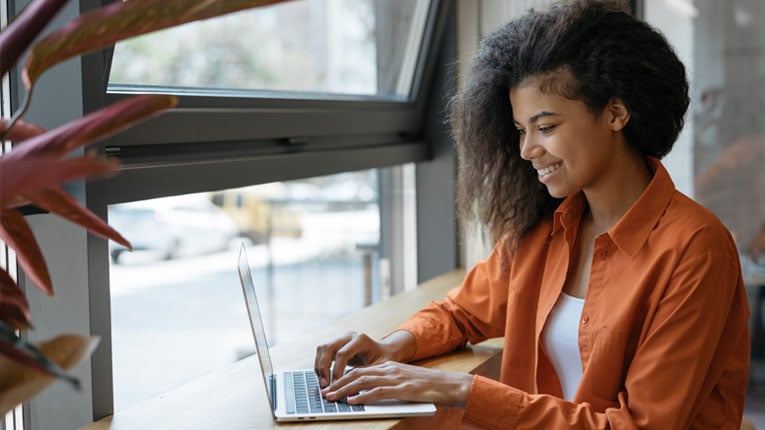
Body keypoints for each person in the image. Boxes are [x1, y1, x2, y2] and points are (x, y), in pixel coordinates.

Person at [314, 0, 751, 428]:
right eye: (521, 130)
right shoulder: (546, 228)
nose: (527, 150)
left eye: (546, 127)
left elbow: (638, 425)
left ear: (616, 113)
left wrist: (455, 389)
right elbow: (461, 311)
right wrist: (393, 346)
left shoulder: (696, 249)